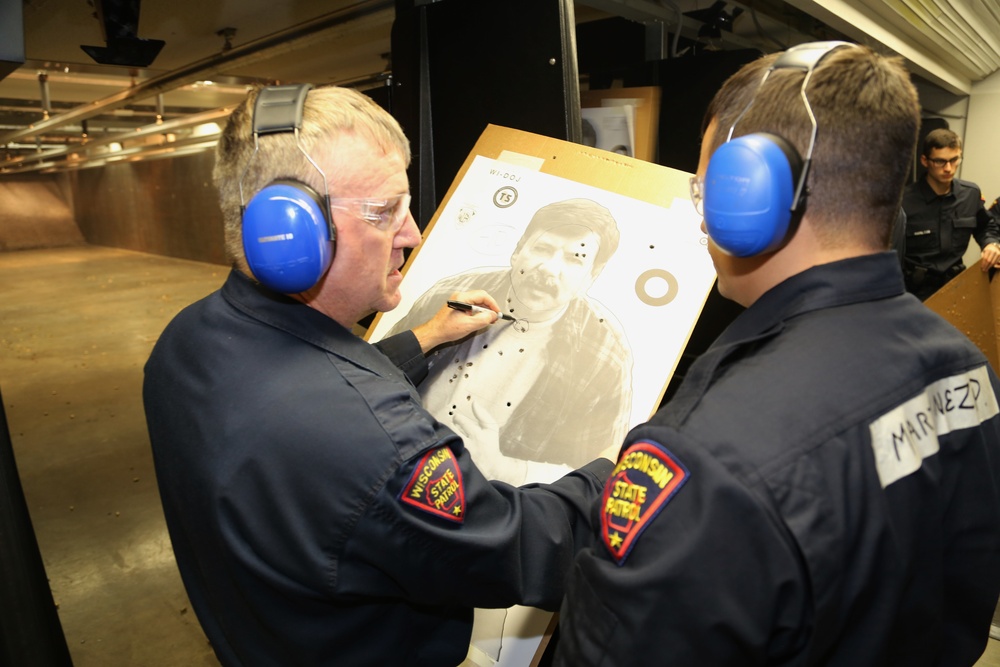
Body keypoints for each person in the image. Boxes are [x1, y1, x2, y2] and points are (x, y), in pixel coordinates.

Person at [552, 42, 1000, 665]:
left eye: (707, 185)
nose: (703, 209)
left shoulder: (707, 459)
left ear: (748, 193)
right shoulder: (966, 367)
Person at [142, 84, 616, 667]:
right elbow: (516, 552)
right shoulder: (379, 446)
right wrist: (612, 473)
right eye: (385, 210)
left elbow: (308, 396)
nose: (413, 233)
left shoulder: (184, 342)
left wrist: (425, 339)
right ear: (294, 233)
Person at [384, 198, 633, 484]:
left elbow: (602, 472)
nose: (549, 269)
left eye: (574, 258)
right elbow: (373, 376)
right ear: (517, 252)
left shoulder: (605, 354)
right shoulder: (454, 292)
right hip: (391, 463)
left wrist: (504, 469)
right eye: (542, 248)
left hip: (489, 508)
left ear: (592, 276)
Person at [901, 128, 1000, 300]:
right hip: (914, 292)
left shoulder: (970, 194)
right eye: (940, 161)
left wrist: (991, 244)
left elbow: (985, 226)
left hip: (955, 285)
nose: (948, 168)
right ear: (925, 160)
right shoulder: (903, 202)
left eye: (954, 160)